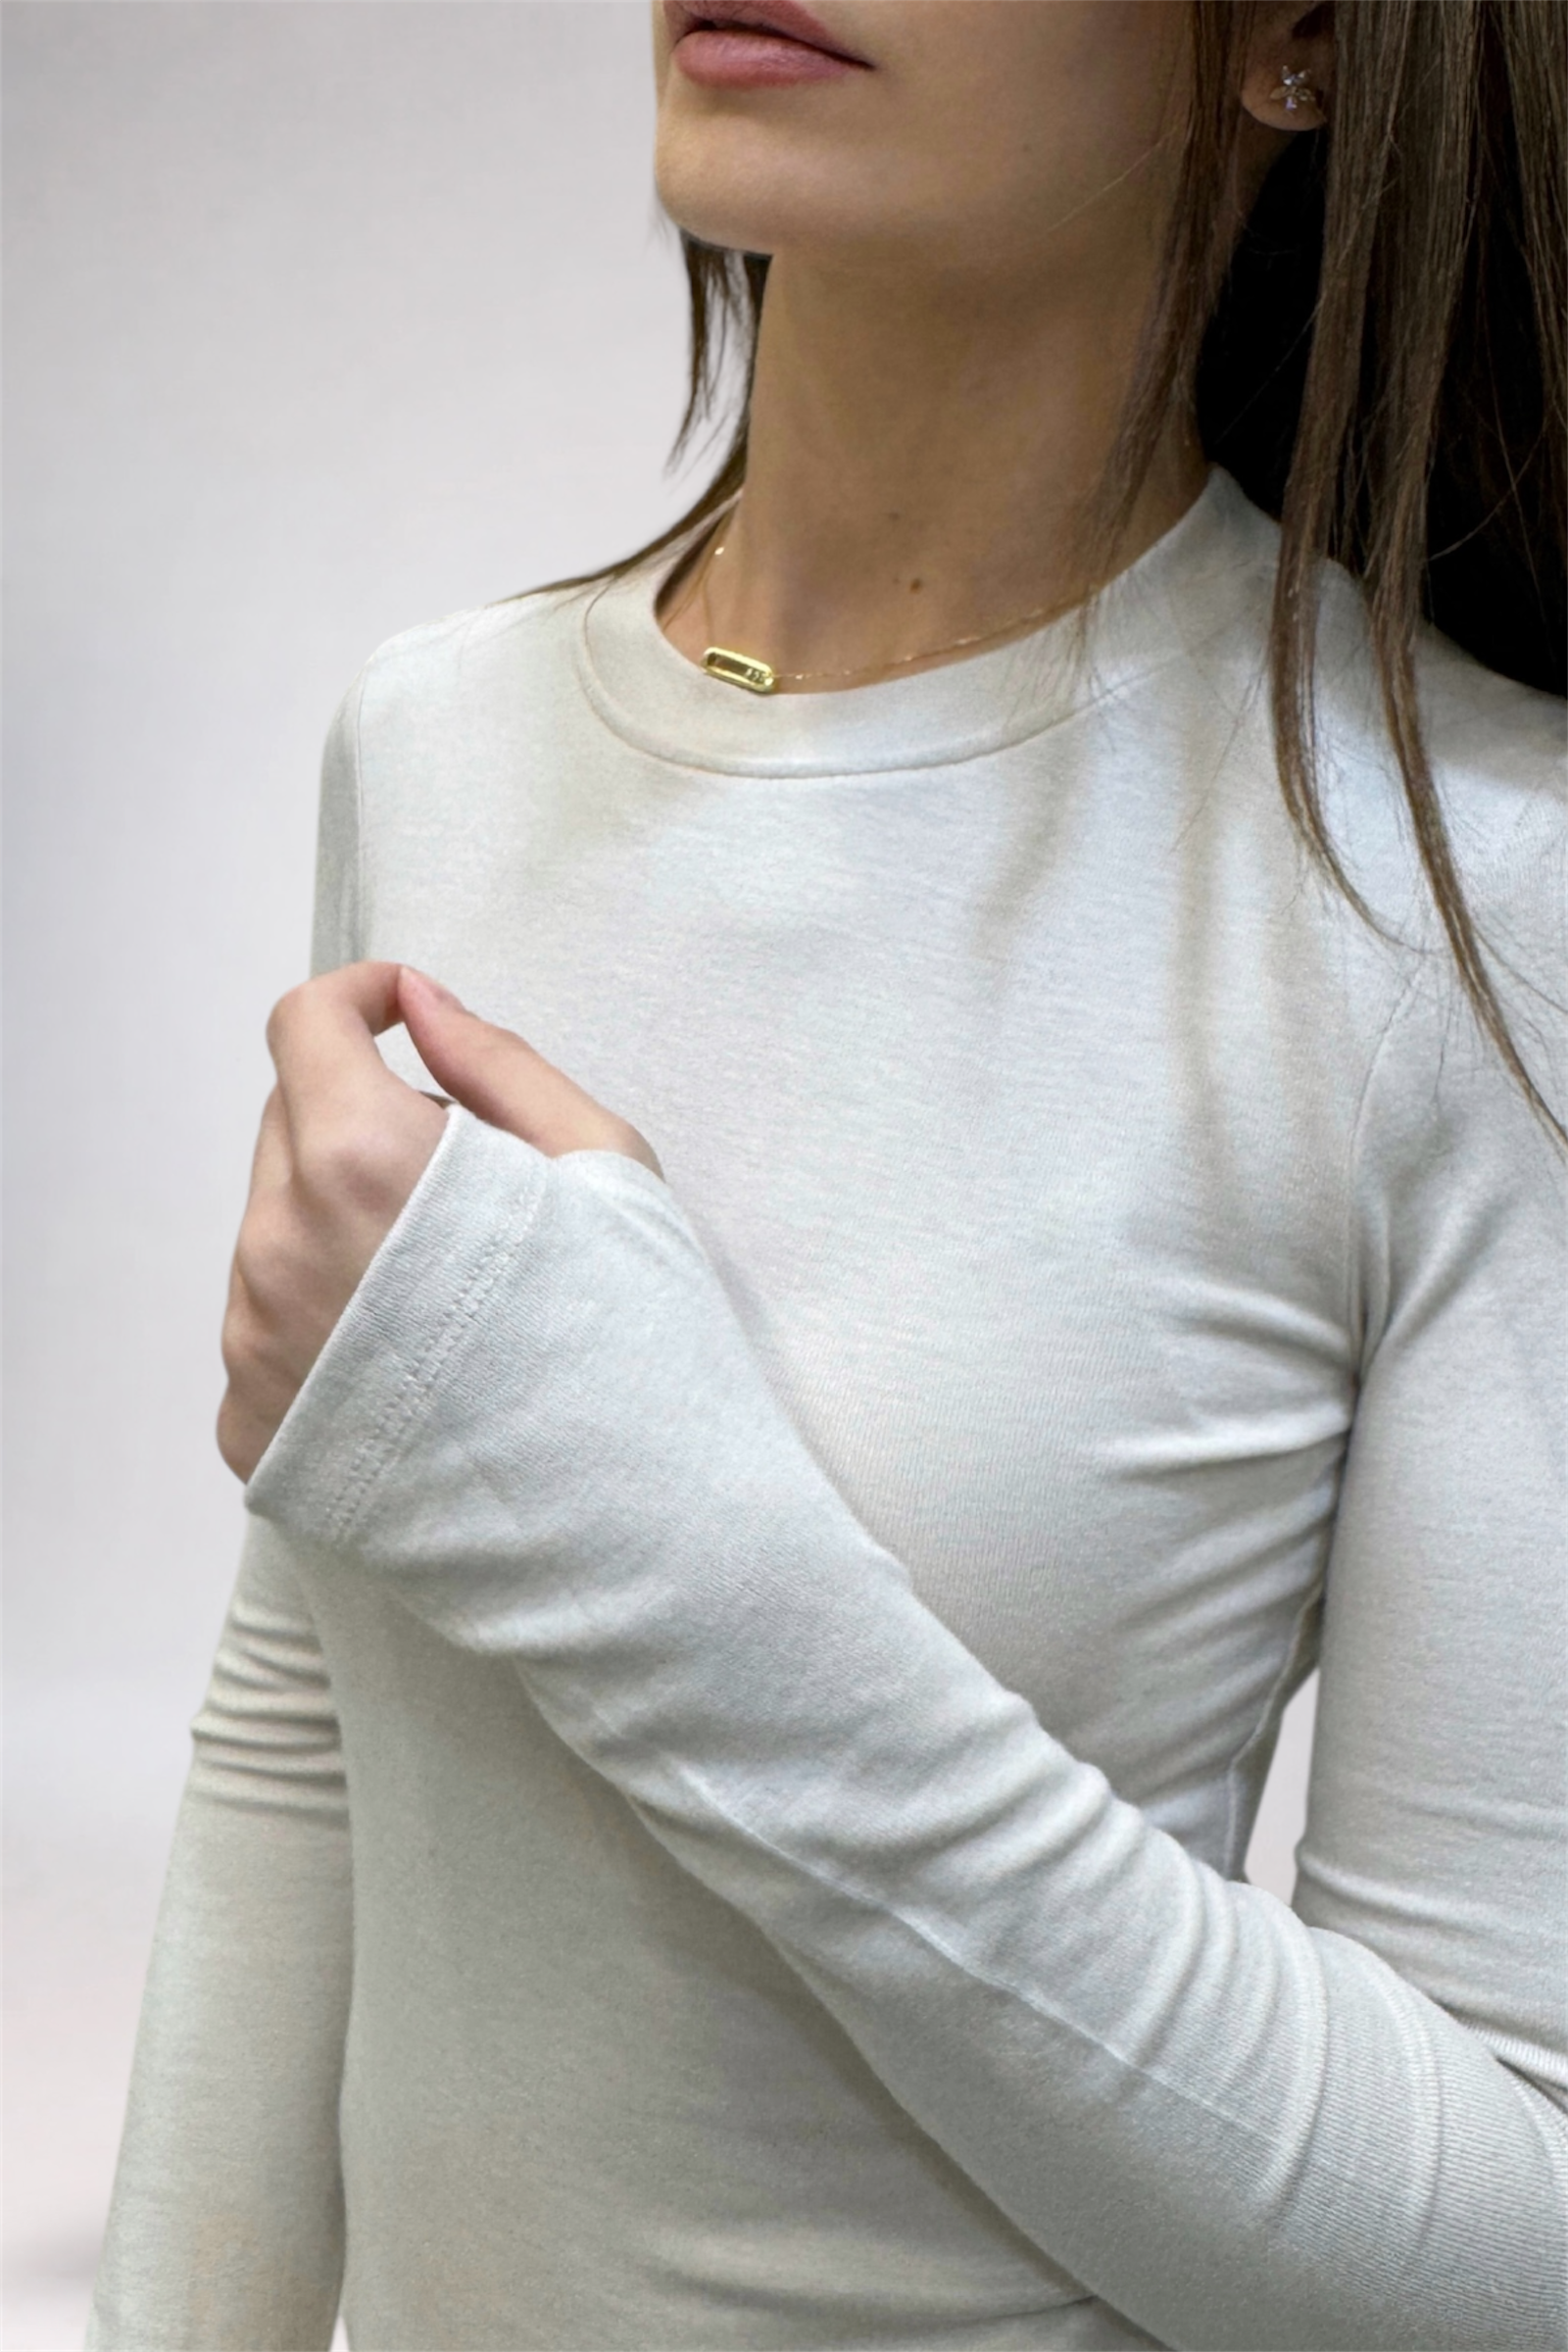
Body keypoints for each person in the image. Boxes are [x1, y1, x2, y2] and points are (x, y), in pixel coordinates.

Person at [89, 3, 1567, 2348]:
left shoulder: (1473, 902)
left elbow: (1513, 2258)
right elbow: (311, 1733)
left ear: (1291, 40)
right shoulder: (439, 742)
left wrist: (654, 1550)